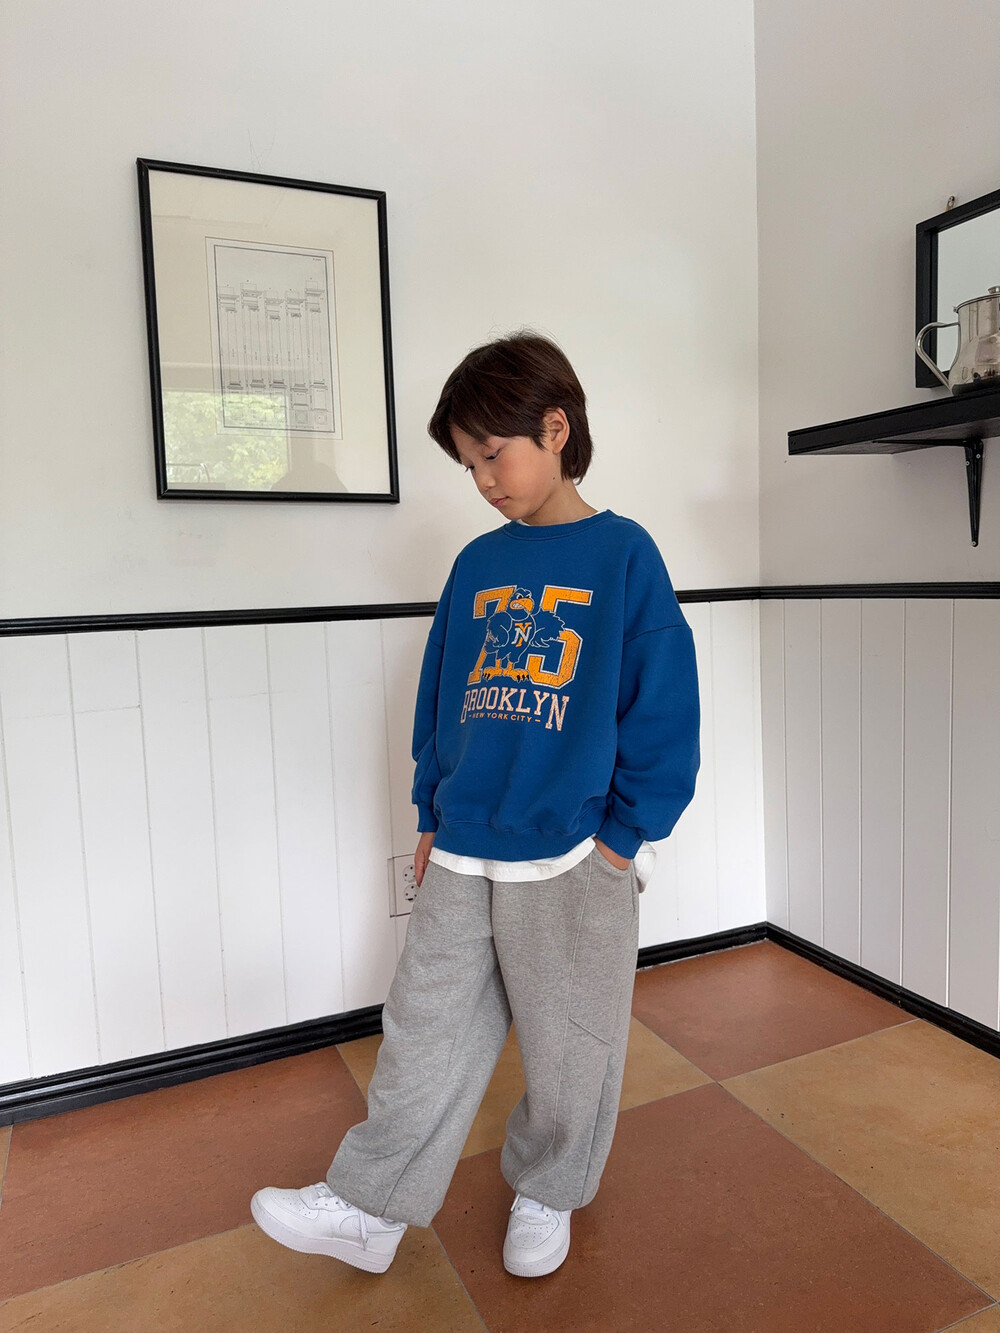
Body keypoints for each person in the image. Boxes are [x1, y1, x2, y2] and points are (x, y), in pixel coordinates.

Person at [250, 330, 701, 1278]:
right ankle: (370, 1207)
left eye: (493, 453)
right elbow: (442, 698)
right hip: (464, 841)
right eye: (468, 465)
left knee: (570, 1044)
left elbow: (663, 710)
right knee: (425, 1024)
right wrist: (430, 811)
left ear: (555, 428)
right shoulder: (476, 565)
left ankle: (549, 1188)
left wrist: (622, 839)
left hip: (575, 850)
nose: (483, 479)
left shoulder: (625, 555)